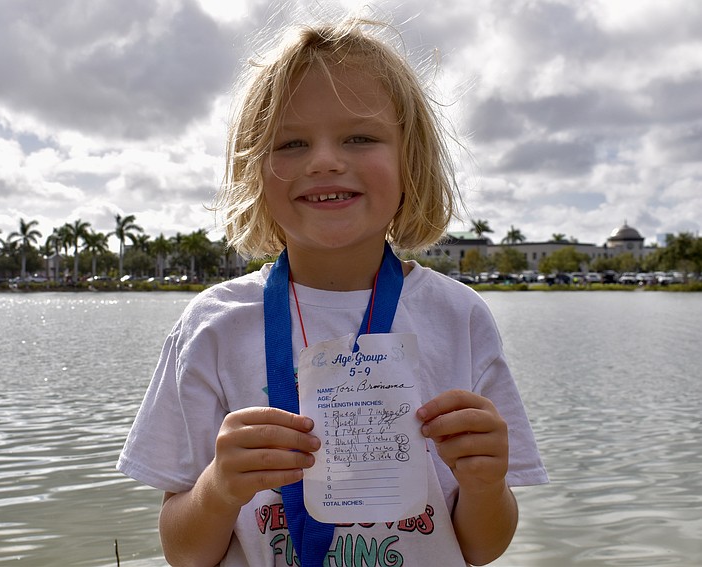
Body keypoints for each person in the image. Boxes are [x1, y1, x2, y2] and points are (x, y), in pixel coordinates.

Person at [118, 16, 548, 567]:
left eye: (360, 137)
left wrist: (485, 484)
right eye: (291, 143)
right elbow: (183, 552)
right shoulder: (212, 325)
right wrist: (219, 488)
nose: (324, 160)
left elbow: (483, 547)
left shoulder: (459, 316)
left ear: (411, 161)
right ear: (254, 173)